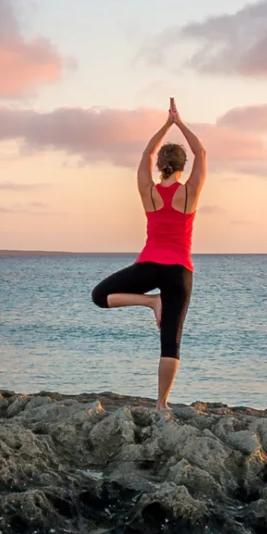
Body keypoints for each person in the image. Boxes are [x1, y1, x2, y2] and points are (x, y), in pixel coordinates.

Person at [90, 99, 206, 412]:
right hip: (179, 271)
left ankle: (150, 301)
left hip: (149, 264)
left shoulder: (149, 191)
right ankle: (161, 404)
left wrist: (165, 126)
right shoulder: (189, 192)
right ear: (182, 167)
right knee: (171, 340)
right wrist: (179, 123)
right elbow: (202, 153)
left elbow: (146, 154)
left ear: (159, 166)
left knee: (100, 296)